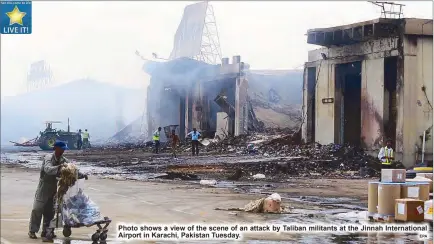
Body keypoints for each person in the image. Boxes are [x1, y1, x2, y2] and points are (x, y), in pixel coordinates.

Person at [28, 141, 69, 240]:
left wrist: (79, 174)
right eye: (61, 148)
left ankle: (46, 231)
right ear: (56, 148)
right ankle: (32, 231)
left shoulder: (64, 160)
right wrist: (59, 168)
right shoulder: (48, 157)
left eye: (64, 149)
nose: (63, 150)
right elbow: (48, 169)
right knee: (37, 209)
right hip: (43, 187)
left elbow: (70, 169)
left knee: (50, 212)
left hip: (54, 188)